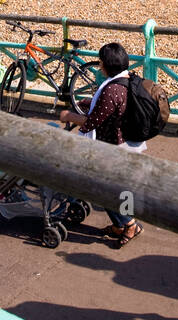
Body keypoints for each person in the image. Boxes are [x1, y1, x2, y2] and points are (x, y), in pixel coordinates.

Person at [58, 41, 145, 246]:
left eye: (100, 62)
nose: (99, 65)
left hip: (114, 146)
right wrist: (89, 103)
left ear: (106, 65)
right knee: (123, 188)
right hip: (130, 142)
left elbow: (91, 123)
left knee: (102, 188)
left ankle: (130, 224)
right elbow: (108, 109)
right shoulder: (129, 79)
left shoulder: (111, 89)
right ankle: (120, 225)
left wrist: (67, 115)